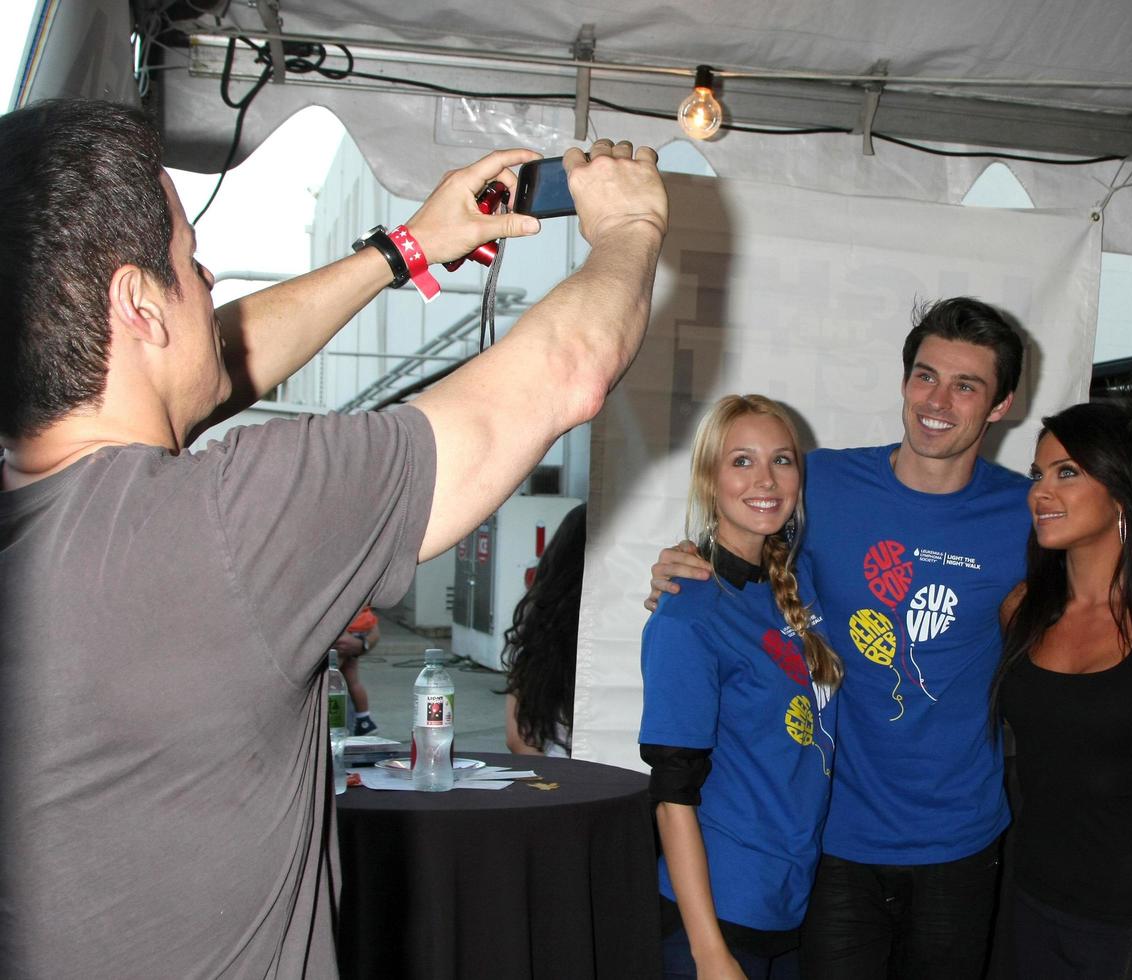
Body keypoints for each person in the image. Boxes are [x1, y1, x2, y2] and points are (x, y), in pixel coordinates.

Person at [0, 98, 667, 978]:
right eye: (192, 265)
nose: (212, 290)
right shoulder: (223, 527)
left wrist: (405, 251)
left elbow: (216, 364)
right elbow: (566, 373)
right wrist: (632, 223)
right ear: (137, 303)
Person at [649, 299, 1032, 978]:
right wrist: (685, 562)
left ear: (1000, 405)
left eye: (966, 385)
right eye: (925, 375)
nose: (937, 400)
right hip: (833, 840)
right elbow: (748, 528)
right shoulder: (818, 481)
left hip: (961, 838)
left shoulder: (1025, 513)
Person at [991, 400, 1132, 978]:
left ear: (1121, 490)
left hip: (1131, 919)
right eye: (1038, 474)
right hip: (1028, 898)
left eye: (1067, 473)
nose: (1041, 491)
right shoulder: (1021, 610)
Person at [640, 394, 842, 979]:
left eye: (782, 460)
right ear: (709, 478)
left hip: (794, 903)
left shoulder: (801, 579)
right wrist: (710, 956)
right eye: (742, 461)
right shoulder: (688, 612)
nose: (765, 479)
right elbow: (673, 796)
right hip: (717, 917)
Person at [501, 503, 587, 756]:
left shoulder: (541, 620)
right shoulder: (636, 621)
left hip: (557, 779)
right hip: (625, 781)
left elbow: (517, 738)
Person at [336, 605, 382, 735]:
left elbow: (375, 632)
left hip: (347, 628)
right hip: (360, 627)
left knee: (337, 678)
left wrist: (362, 644)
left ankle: (363, 720)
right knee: (352, 681)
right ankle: (364, 719)